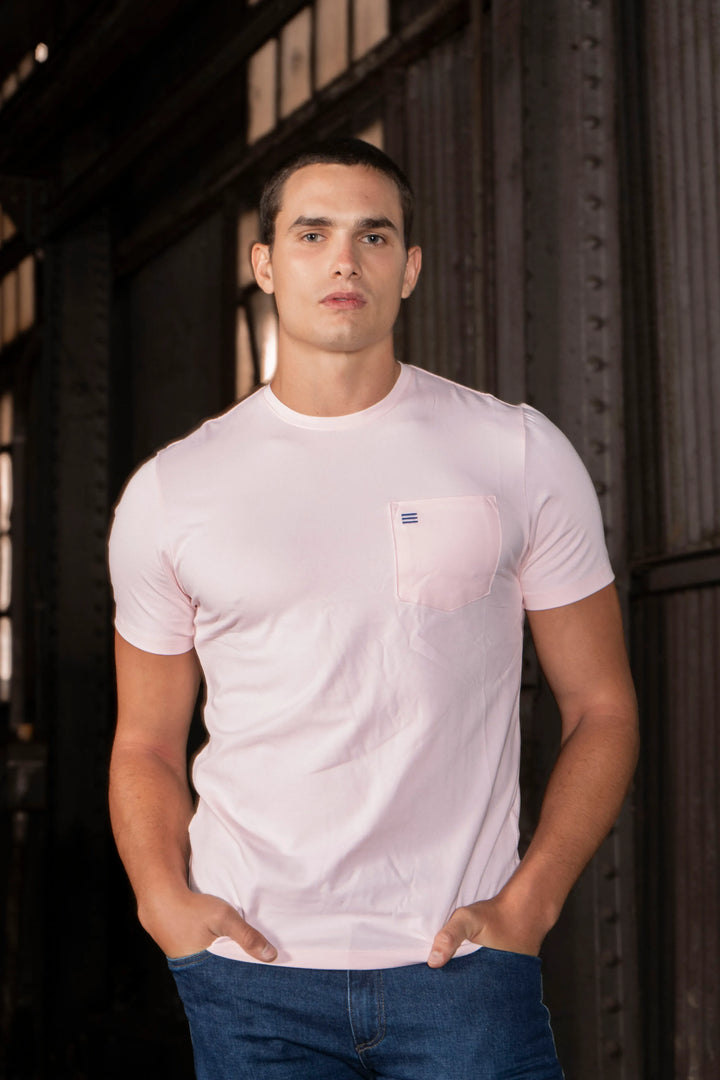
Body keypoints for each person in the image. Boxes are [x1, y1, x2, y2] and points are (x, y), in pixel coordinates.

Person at [108, 137, 639, 1079]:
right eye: (312, 234)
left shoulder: (515, 452)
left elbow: (603, 707)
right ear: (265, 263)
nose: (345, 260)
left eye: (374, 235)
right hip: (250, 975)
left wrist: (533, 904)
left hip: (463, 967)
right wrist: (162, 900)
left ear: (411, 267)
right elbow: (145, 743)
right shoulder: (173, 491)